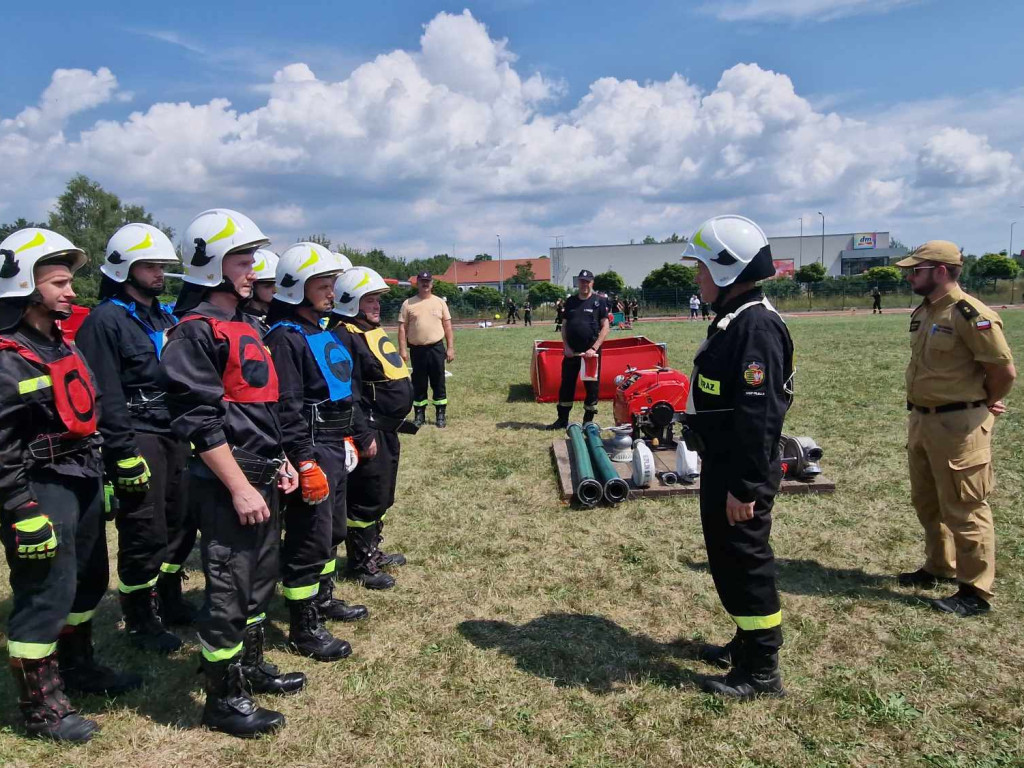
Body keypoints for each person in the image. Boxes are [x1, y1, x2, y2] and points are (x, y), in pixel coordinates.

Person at [159, 208, 302, 737]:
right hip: (227, 483)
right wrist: (240, 486)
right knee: (226, 589)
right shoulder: (193, 334)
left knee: (259, 581)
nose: (254, 267)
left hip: (263, 472)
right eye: (242, 258)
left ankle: (249, 666)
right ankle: (222, 699)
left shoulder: (247, 325)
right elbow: (199, 421)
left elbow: (260, 409)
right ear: (213, 265)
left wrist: (281, 460)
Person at [0, 228, 141, 742]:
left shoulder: (61, 343)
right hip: (38, 488)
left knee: (85, 584)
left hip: (80, 477)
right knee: (44, 595)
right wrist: (21, 507)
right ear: (23, 287)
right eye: (58, 283)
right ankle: (40, 710)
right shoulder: (5, 356)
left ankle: (79, 670)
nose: (70, 292)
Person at [681, 215, 794, 700]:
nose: (697, 278)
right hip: (725, 463)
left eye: (702, 268)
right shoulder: (735, 319)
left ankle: (762, 669)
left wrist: (744, 487)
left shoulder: (756, 327)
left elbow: (759, 414)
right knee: (727, 560)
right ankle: (745, 640)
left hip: (739, 470)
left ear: (728, 270)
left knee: (745, 562)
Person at [75, 223, 197, 656]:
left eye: (161, 265)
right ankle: (140, 617)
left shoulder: (164, 315)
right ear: (124, 267)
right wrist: (122, 453)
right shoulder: (103, 321)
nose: (158, 272)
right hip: (138, 433)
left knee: (180, 521)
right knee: (144, 528)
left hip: (175, 430)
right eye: (149, 265)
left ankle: (170, 599)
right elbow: (104, 392)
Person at [896, 241, 1016, 617]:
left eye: (917, 270)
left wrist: (982, 404)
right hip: (923, 420)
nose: (910, 275)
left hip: (959, 425)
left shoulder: (971, 314)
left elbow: (1002, 370)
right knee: (927, 500)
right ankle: (938, 565)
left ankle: (976, 590)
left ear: (941, 271)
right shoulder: (926, 311)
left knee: (965, 506)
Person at [264, 243, 369, 662]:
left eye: (331, 284)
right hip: (310, 447)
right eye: (322, 285)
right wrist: (303, 460)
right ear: (296, 289)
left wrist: (348, 435)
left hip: (333, 442)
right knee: (308, 538)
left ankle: (324, 600)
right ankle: (303, 626)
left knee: (331, 533)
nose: (331, 293)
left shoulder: (319, 330)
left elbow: (339, 392)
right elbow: (287, 407)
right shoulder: (285, 338)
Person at [332, 267, 413, 590]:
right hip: (369, 430)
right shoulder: (343, 336)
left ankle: (372, 550)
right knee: (366, 497)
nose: (377, 306)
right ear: (351, 301)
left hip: (386, 430)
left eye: (378, 300)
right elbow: (347, 392)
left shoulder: (366, 328)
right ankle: (361, 561)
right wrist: (363, 435)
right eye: (369, 300)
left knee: (380, 494)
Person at [546, 270, 611, 430]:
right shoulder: (571, 302)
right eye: (582, 281)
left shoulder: (599, 302)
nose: (584, 284)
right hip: (571, 353)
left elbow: (605, 327)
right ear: (578, 283)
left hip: (591, 354)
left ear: (592, 283)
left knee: (591, 387)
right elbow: (565, 326)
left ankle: (588, 422)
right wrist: (566, 346)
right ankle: (562, 420)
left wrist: (594, 348)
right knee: (567, 385)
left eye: (587, 281)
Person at [398, 271, 455, 429]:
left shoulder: (440, 303)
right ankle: (419, 414)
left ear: (432, 283)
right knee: (418, 382)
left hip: (436, 348)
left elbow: (448, 326)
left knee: (438, 381)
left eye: (428, 281)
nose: (425, 284)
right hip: (417, 350)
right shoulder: (408, 303)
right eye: (422, 281)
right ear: (417, 282)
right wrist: (402, 350)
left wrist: (450, 348)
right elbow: (402, 328)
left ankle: (440, 414)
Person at [242, 249, 278, 334]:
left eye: (276, 285)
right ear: (252, 286)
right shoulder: (243, 321)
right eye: (268, 286)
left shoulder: (279, 316)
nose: (275, 290)